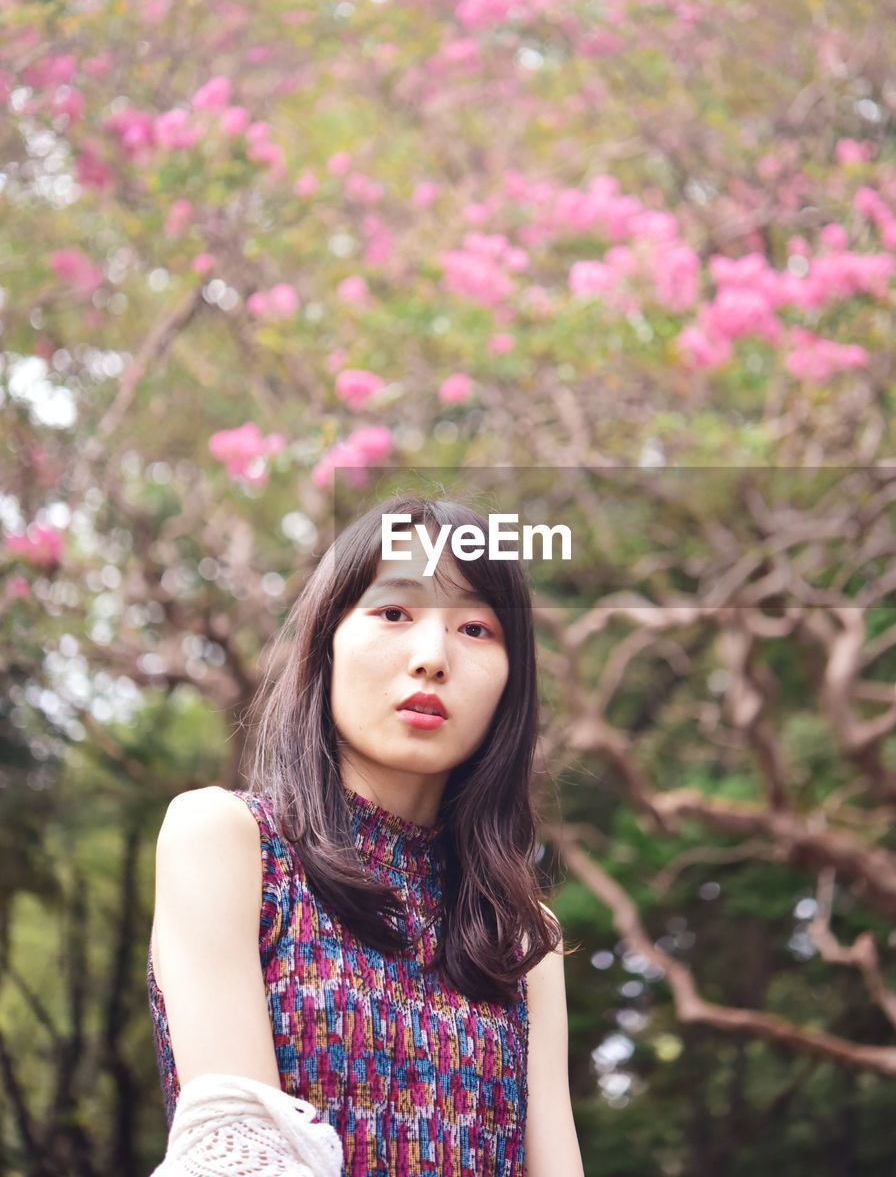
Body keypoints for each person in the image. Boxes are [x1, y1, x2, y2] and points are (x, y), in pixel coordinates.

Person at [147, 494, 586, 1176]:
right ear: (327, 640)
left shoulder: (523, 941)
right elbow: (246, 1159)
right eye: (392, 613)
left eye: (476, 629)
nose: (431, 657)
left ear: (512, 680)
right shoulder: (228, 840)